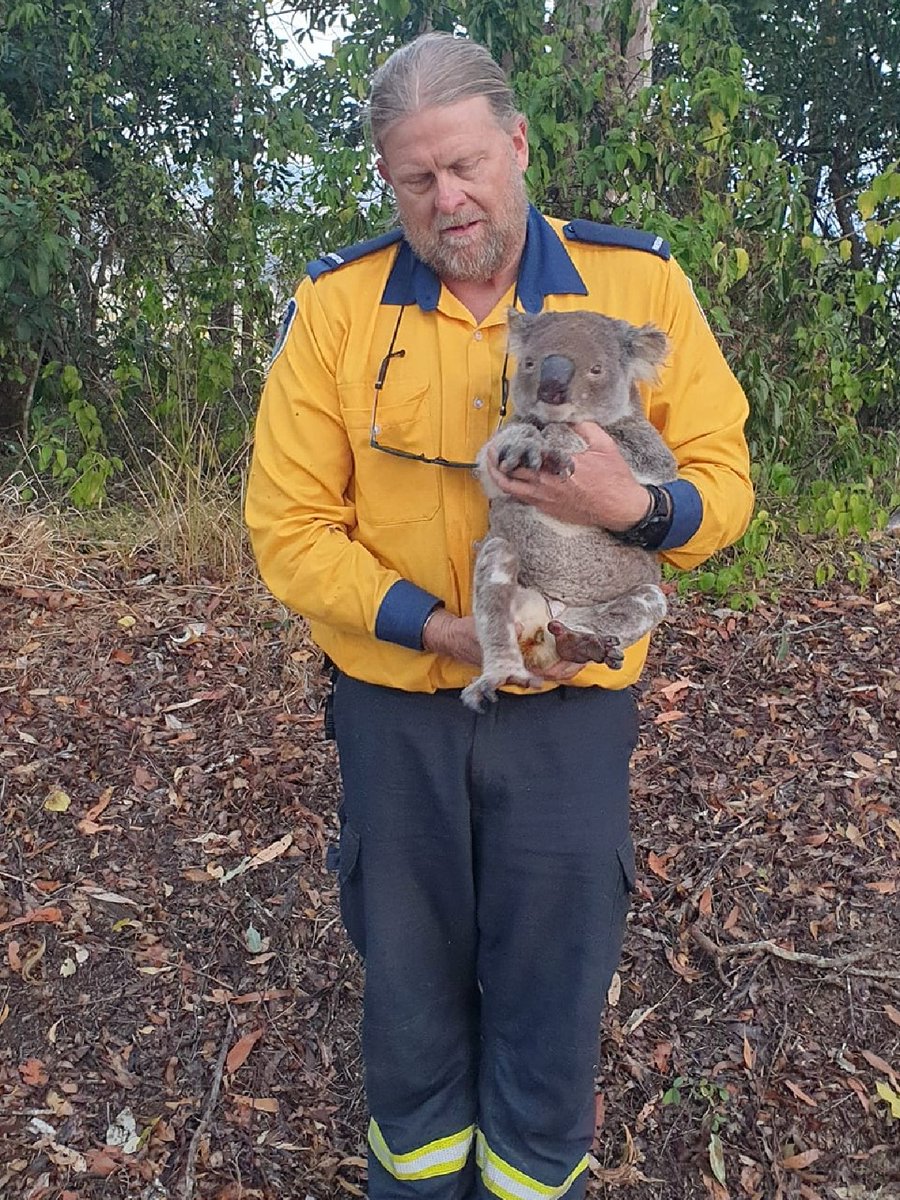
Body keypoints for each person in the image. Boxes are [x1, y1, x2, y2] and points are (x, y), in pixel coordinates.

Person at [246, 31, 753, 1200]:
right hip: (400, 709)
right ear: (387, 179)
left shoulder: (636, 288)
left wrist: (637, 504)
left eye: (468, 165)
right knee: (411, 1001)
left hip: (571, 717)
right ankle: (418, 1176)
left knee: (552, 990)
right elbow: (288, 526)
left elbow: (722, 483)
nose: (449, 198)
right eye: (417, 178)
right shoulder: (337, 309)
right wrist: (441, 630)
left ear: (518, 143)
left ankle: (532, 1177)